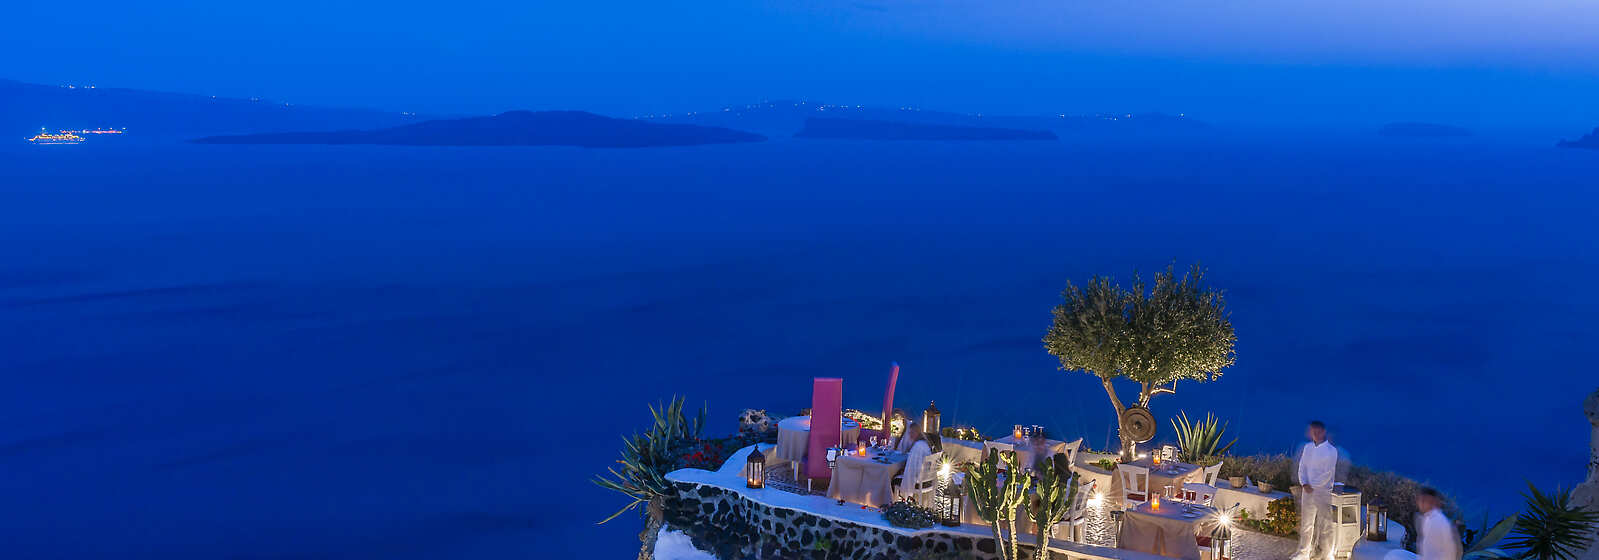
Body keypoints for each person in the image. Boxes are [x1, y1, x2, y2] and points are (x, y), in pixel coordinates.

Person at [1293, 420, 1340, 560]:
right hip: (1307, 491)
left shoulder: (1331, 451)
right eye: (1313, 431)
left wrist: (1312, 485)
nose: (1315, 434)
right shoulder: (1307, 448)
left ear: (1323, 432)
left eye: (1318, 431)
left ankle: (1327, 554)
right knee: (1306, 524)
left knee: (1325, 524)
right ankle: (1303, 553)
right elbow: (1302, 467)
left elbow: (1328, 473)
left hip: (1322, 492)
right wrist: (1304, 483)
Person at [1416, 487, 1462, 560]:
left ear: (1434, 502)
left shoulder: (1440, 521)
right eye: (1420, 500)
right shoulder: (1427, 519)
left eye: (1424, 500)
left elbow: (1452, 549)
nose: (1421, 503)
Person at [896, 421, 933, 499]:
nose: (909, 435)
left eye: (911, 432)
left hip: (919, 482)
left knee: (893, 479)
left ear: (917, 432)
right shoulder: (924, 443)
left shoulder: (918, 446)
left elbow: (911, 470)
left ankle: (894, 502)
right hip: (928, 481)